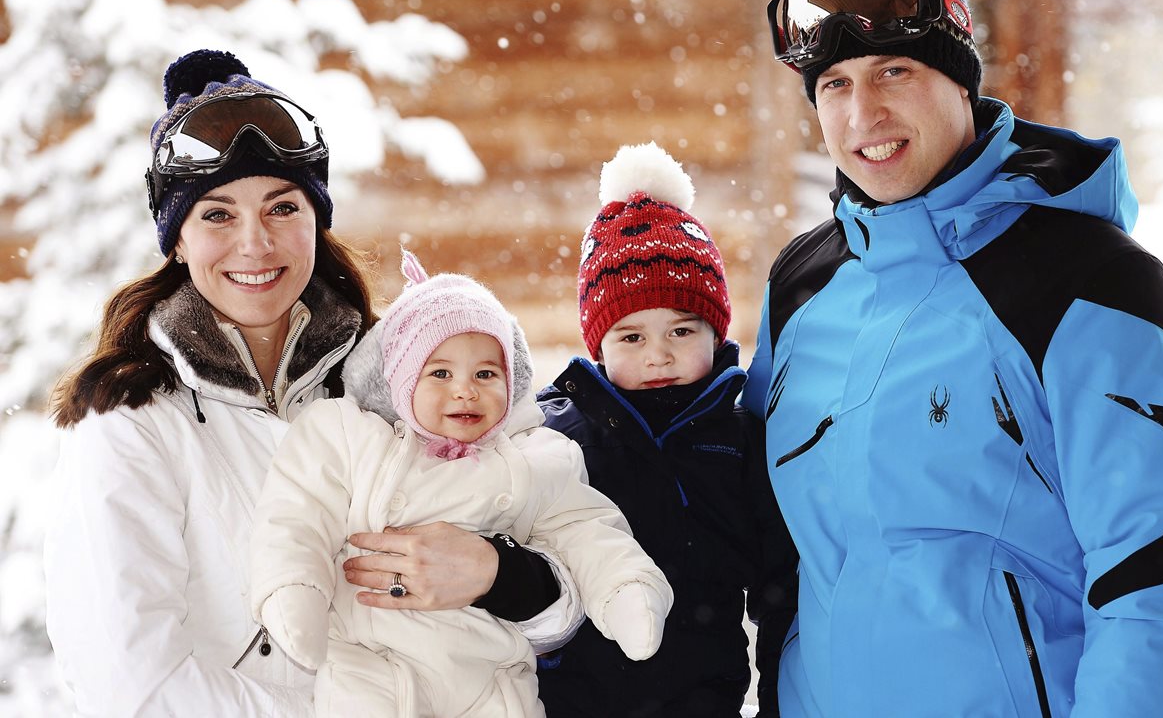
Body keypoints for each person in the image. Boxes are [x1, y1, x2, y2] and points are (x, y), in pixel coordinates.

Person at [744, 0, 1163, 717]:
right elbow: (774, 560)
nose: (864, 111)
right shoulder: (802, 288)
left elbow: (1162, 579)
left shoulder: (1086, 282)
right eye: (833, 85)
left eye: (895, 70)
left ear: (961, 83)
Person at [43, 49, 582, 716]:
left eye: (281, 207)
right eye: (217, 214)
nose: (254, 243)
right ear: (176, 239)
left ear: (315, 218)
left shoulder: (401, 376)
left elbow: (564, 594)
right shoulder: (130, 419)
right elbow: (130, 679)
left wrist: (502, 576)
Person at [250, 251, 673, 717]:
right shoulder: (352, 437)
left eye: (486, 374)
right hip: (373, 668)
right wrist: (294, 589)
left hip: (492, 679)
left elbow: (588, 531)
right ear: (402, 381)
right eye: (440, 373)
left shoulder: (534, 457)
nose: (465, 390)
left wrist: (625, 588)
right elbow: (296, 515)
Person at [536, 142, 798, 718]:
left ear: (715, 330)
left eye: (681, 331)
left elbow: (781, 589)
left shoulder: (741, 436)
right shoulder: (556, 435)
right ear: (598, 346)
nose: (658, 356)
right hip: (572, 700)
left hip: (702, 698)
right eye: (631, 337)